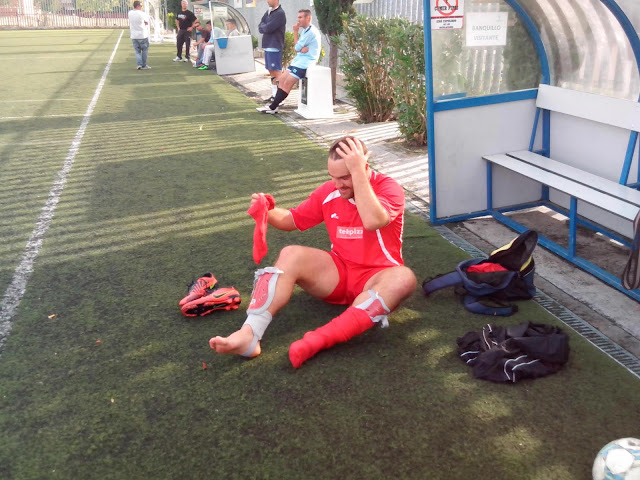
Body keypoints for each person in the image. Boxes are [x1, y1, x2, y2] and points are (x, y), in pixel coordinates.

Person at [209, 136, 417, 368]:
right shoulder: (330, 191)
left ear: (364, 167)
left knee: (404, 277)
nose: (338, 185)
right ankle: (249, 334)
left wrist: (357, 172)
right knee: (291, 253)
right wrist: (267, 210)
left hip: (378, 278)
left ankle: (317, 340)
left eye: (345, 177)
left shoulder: (389, 188)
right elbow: (292, 219)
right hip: (339, 275)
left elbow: (373, 221)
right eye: (333, 177)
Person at [257, 9, 321, 114]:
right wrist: (300, 48)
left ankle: (273, 107)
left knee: (287, 83)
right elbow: (298, 47)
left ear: (308, 18)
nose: (298, 19)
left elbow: (296, 48)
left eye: (300, 17)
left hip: (304, 63)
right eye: (298, 17)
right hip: (298, 60)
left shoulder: (311, 31)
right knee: (281, 79)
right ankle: (275, 105)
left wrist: (295, 32)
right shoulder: (306, 30)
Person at [258, 0, 286, 102]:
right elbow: (260, 26)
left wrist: (265, 26)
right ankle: (274, 95)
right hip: (267, 45)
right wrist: (264, 26)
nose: (267, 1)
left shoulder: (280, 13)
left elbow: (268, 28)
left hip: (275, 46)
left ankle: (281, 98)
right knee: (271, 71)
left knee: (277, 72)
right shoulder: (269, 12)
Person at [128, 0, 151, 70]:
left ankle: (139, 64)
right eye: (141, 6)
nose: (141, 7)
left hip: (134, 35)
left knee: (137, 51)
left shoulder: (130, 13)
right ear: (138, 6)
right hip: (142, 35)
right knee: (144, 50)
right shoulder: (142, 13)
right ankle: (144, 65)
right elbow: (146, 22)